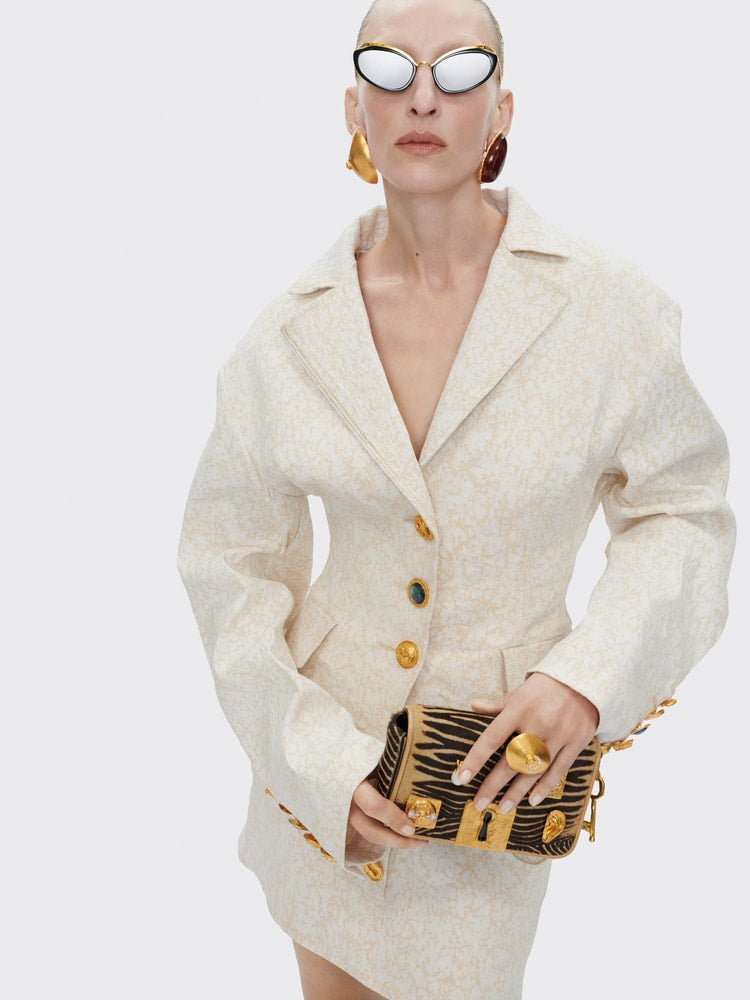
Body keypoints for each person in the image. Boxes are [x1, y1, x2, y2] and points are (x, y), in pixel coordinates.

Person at [176, 1, 735, 997]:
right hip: (331, 778)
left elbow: (683, 511)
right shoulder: (288, 334)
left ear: (501, 109)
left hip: (496, 776)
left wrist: (586, 679)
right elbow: (230, 562)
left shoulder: (607, 308)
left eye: (460, 68)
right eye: (389, 70)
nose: (423, 95)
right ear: (354, 108)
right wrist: (317, 764)